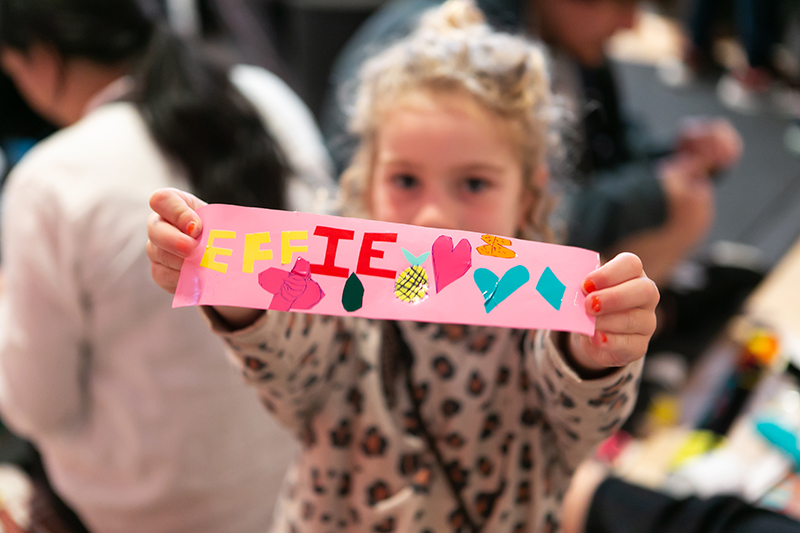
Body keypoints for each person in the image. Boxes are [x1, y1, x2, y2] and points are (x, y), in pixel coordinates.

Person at [146, 1, 660, 531]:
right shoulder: (339, 293)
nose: (434, 216)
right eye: (405, 181)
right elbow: (290, 371)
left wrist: (591, 355)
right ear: (367, 183)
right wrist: (233, 289)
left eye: (474, 184)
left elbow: (581, 422)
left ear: (529, 195)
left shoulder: (546, 311)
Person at [0, 0, 335, 531]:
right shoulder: (263, 94)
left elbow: (37, 404)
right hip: (306, 479)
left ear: (40, 58)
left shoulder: (52, 182)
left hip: (154, 510)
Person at [319, 0, 742, 286]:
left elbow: (600, 142)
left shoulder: (562, 36)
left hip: (488, 284)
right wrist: (651, 193)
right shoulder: (467, 62)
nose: (631, 24)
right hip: (409, 276)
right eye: (623, 3)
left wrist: (670, 156)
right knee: (684, 207)